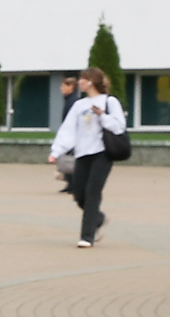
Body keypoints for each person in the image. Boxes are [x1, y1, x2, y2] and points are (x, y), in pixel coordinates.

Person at [51, 63, 126, 245]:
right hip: (82, 153)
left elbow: (119, 126)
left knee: (93, 192)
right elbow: (68, 130)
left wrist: (102, 116)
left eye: (83, 79)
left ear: (91, 82)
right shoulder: (79, 105)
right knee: (79, 193)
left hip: (102, 153)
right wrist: (56, 151)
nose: (80, 82)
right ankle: (98, 218)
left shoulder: (110, 102)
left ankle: (87, 236)